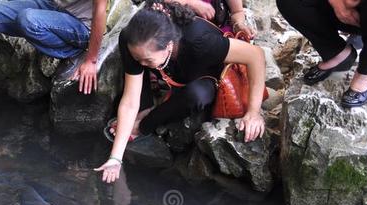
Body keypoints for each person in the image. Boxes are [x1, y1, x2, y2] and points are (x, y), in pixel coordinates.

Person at [94, 0, 266, 183]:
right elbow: (130, 100)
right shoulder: (132, 39)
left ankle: (144, 123)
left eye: (146, 59)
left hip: (205, 75)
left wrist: (253, 113)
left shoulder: (200, 41)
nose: (141, 63)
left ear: (168, 45)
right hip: (168, 69)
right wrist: (115, 158)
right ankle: (145, 108)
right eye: (138, 58)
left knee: (196, 94)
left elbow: (256, 55)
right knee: (137, 67)